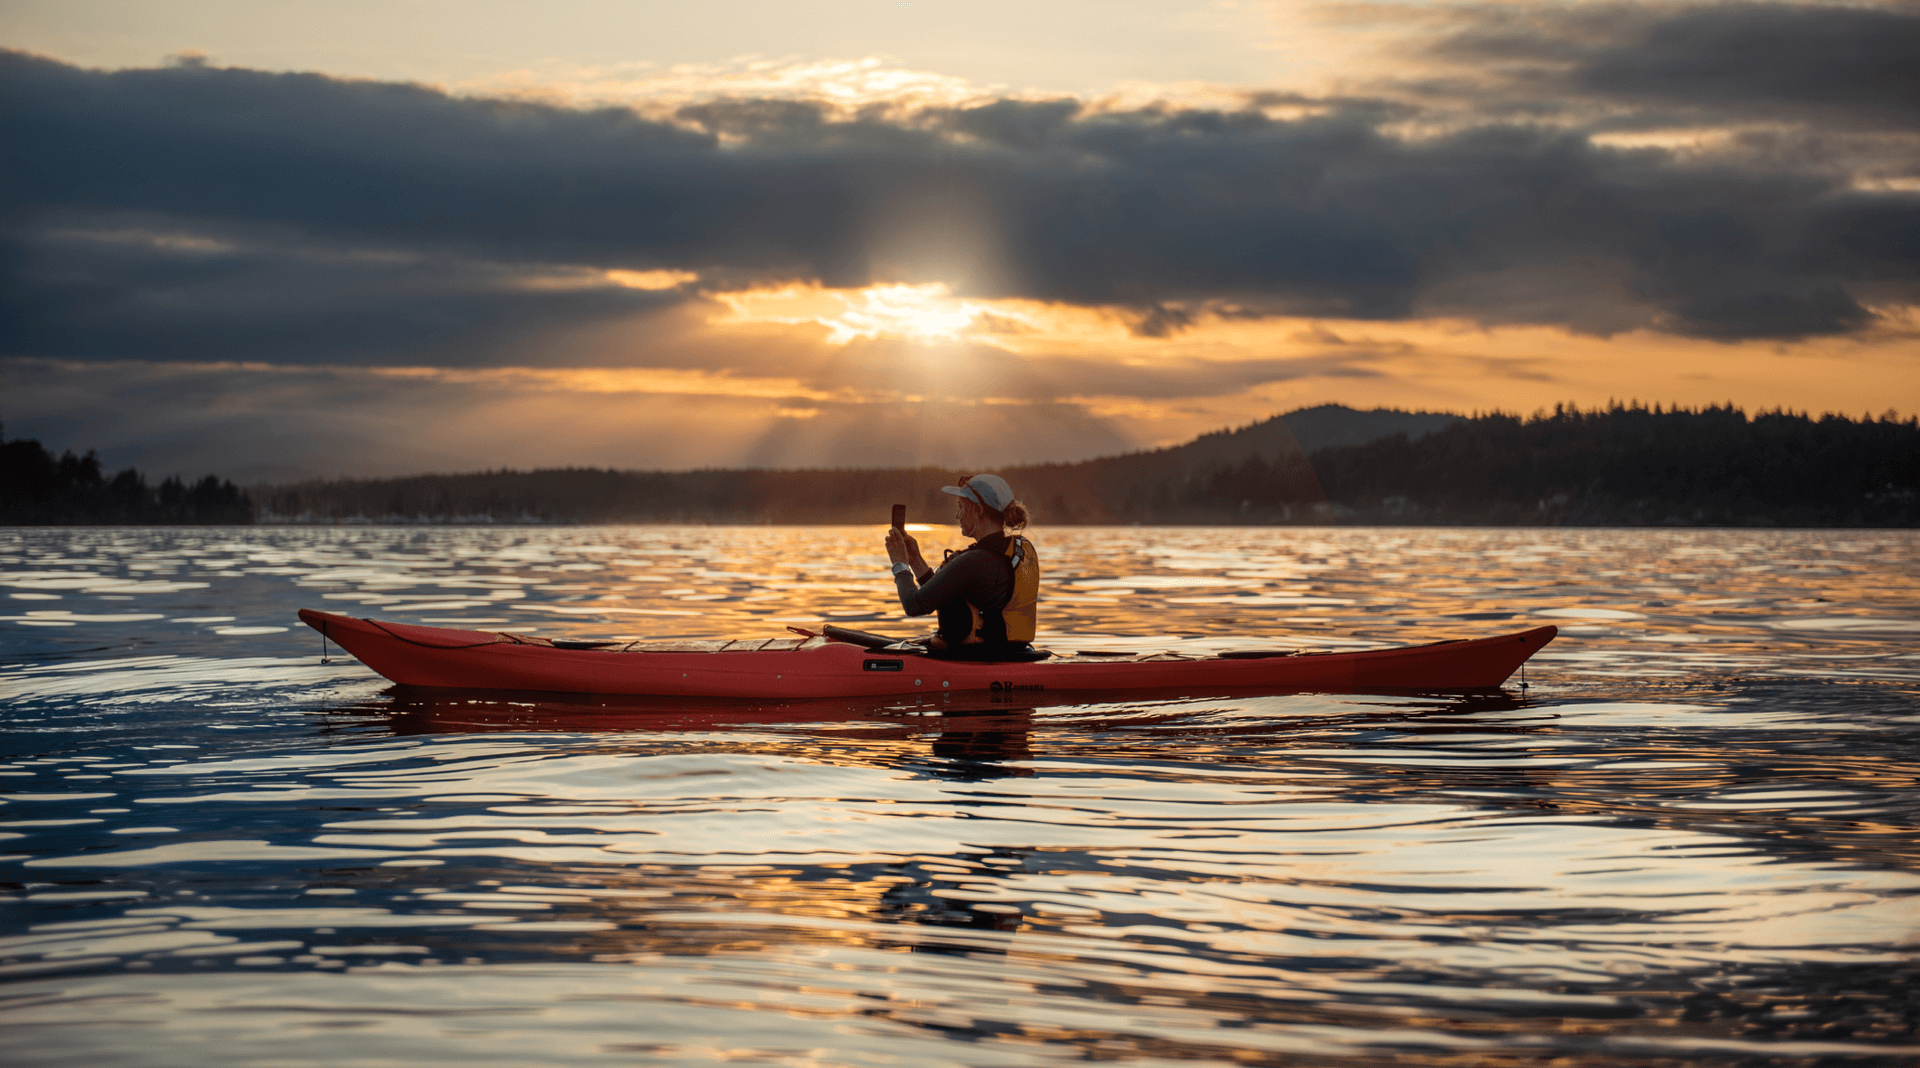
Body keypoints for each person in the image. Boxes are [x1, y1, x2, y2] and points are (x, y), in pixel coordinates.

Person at [884, 473, 1042, 660]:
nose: (957, 515)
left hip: (977, 658)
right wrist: (915, 560)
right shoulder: (1009, 552)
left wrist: (900, 564)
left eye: (960, 507)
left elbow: (914, 605)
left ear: (978, 510)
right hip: (1012, 652)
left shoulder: (975, 562)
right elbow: (943, 594)